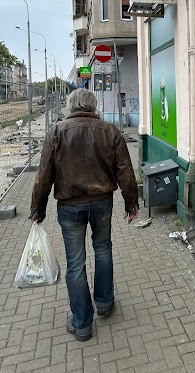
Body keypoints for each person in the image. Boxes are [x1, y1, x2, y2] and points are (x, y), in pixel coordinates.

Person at [29, 88, 139, 342]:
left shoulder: (56, 131)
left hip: (70, 207)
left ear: (71, 106)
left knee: (75, 263)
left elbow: (43, 175)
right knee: (103, 249)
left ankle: (82, 324)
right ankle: (105, 303)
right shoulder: (110, 131)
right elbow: (125, 169)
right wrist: (131, 203)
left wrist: (38, 208)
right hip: (102, 203)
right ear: (93, 106)